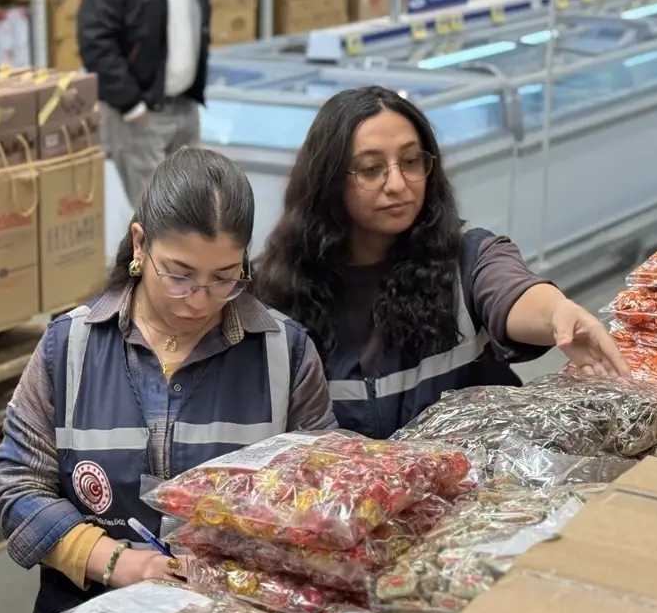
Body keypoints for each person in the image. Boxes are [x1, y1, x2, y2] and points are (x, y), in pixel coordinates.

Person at [0, 147, 338, 613]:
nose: (198, 300)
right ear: (140, 244)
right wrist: (117, 563)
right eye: (179, 275)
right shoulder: (69, 347)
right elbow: (17, 489)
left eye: (224, 278)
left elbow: (327, 497)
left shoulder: (286, 354)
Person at [251, 85, 630, 441]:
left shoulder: (467, 257)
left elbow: (510, 290)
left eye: (411, 161)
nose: (398, 184)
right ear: (329, 181)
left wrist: (558, 313)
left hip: (475, 483)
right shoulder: (274, 290)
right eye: (371, 168)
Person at [78, 0, 209, 208]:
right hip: (139, 117)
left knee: (192, 213)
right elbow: (95, 39)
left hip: (185, 106)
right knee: (154, 219)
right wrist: (131, 106)